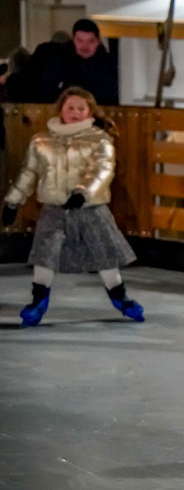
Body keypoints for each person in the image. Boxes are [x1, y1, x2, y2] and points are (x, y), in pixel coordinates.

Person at [2, 87, 144, 326]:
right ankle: (38, 302)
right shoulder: (41, 141)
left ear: (90, 111)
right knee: (44, 256)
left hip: (90, 209)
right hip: (54, 209)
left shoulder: (99, 139)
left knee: (104, 256)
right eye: (70, 108)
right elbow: (29, 172)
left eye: (81, 108)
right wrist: (13, 201)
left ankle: (121, 298)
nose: (75, 112)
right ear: (61, 110)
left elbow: (102, 169)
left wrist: (83, 192)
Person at [10, 20, 119, 105]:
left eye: (90, 41)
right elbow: (45, 89)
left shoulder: (108, 64)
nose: (85, 46)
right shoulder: (59, 59)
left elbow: (110, 96)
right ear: (73, 40)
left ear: (98, 41)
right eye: (80, 41)